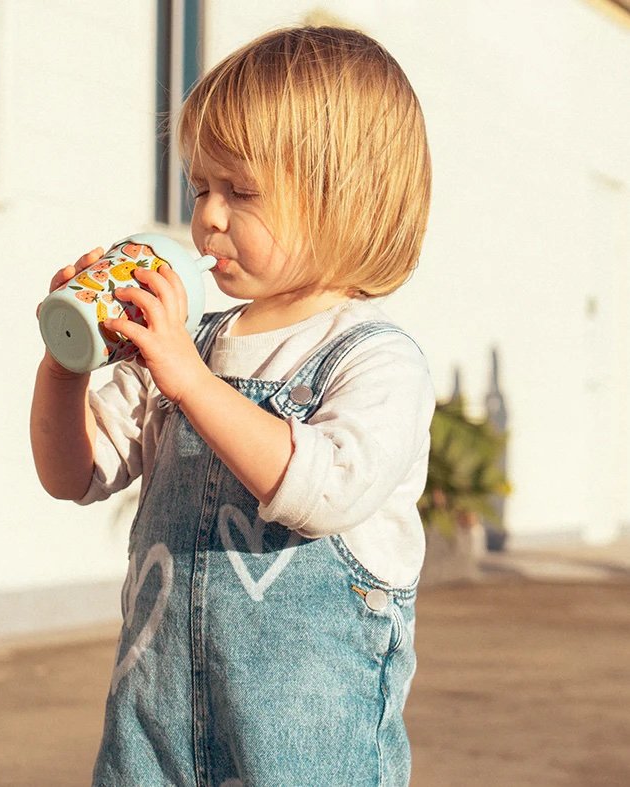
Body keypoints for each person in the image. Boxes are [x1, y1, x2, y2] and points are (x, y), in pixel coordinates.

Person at [31, 25, 434, 787]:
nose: (208, 217)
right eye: (198, 188)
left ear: (345, 196)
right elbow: (72, 472)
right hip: (153, 734)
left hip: (303, 754)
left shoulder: (376, 360)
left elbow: (321, 491)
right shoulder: (186, 347)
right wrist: (64, 369)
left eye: (240, 191)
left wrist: (187, 377)